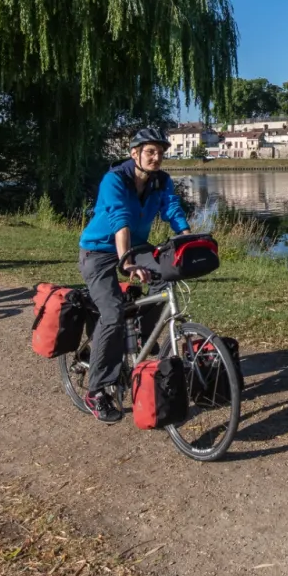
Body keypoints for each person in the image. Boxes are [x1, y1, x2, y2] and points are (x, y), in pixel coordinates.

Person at [78, 127, 191, 423]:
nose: (157, 158)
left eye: (160, 153)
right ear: (134, 154)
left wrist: (186, 234)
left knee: (166, 275)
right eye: (150, 152)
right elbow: (120, 219)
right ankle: (96, 390)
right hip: (98, 252)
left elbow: (171, 207)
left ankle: (142, 336)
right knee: (113, 312)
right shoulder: (114, 179)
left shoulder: (161, 181)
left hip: (136, 246)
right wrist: (126, 261)